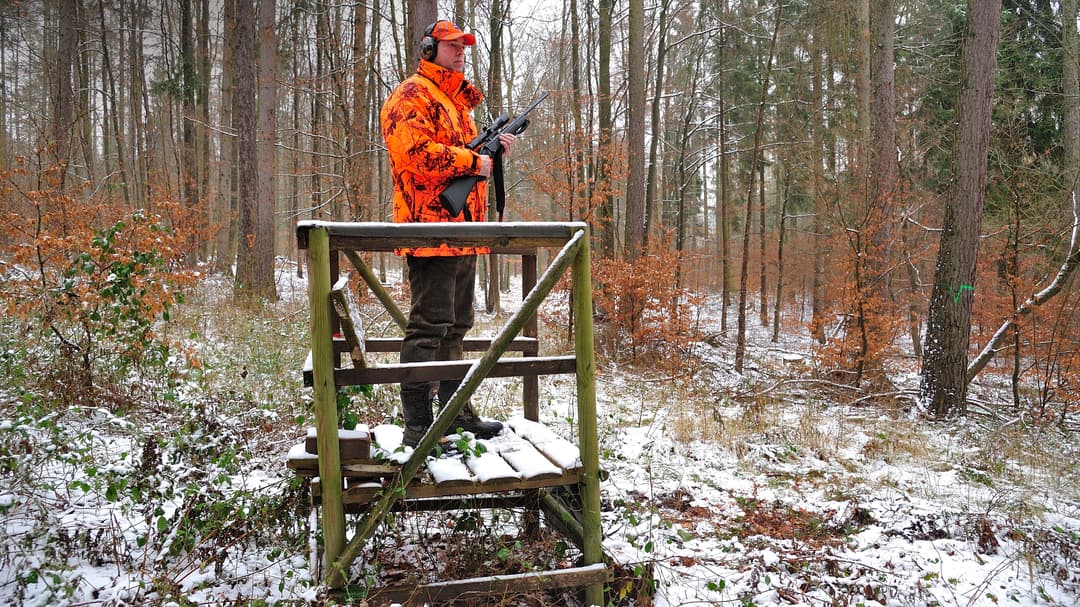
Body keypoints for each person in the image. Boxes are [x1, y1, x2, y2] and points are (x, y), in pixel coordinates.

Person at [380, 20, 515, 448]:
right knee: (428, 328)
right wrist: (474, 163)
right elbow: (414, 153)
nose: (461, 52)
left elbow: (462, 156)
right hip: (429, 230)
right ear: (428, 48)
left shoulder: (457, 104)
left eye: (464, 46)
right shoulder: (410, 96)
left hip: (463, 231)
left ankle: (456, 416)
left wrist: (492, 152)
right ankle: (418, 426)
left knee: (456, 326)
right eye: (452, 46)